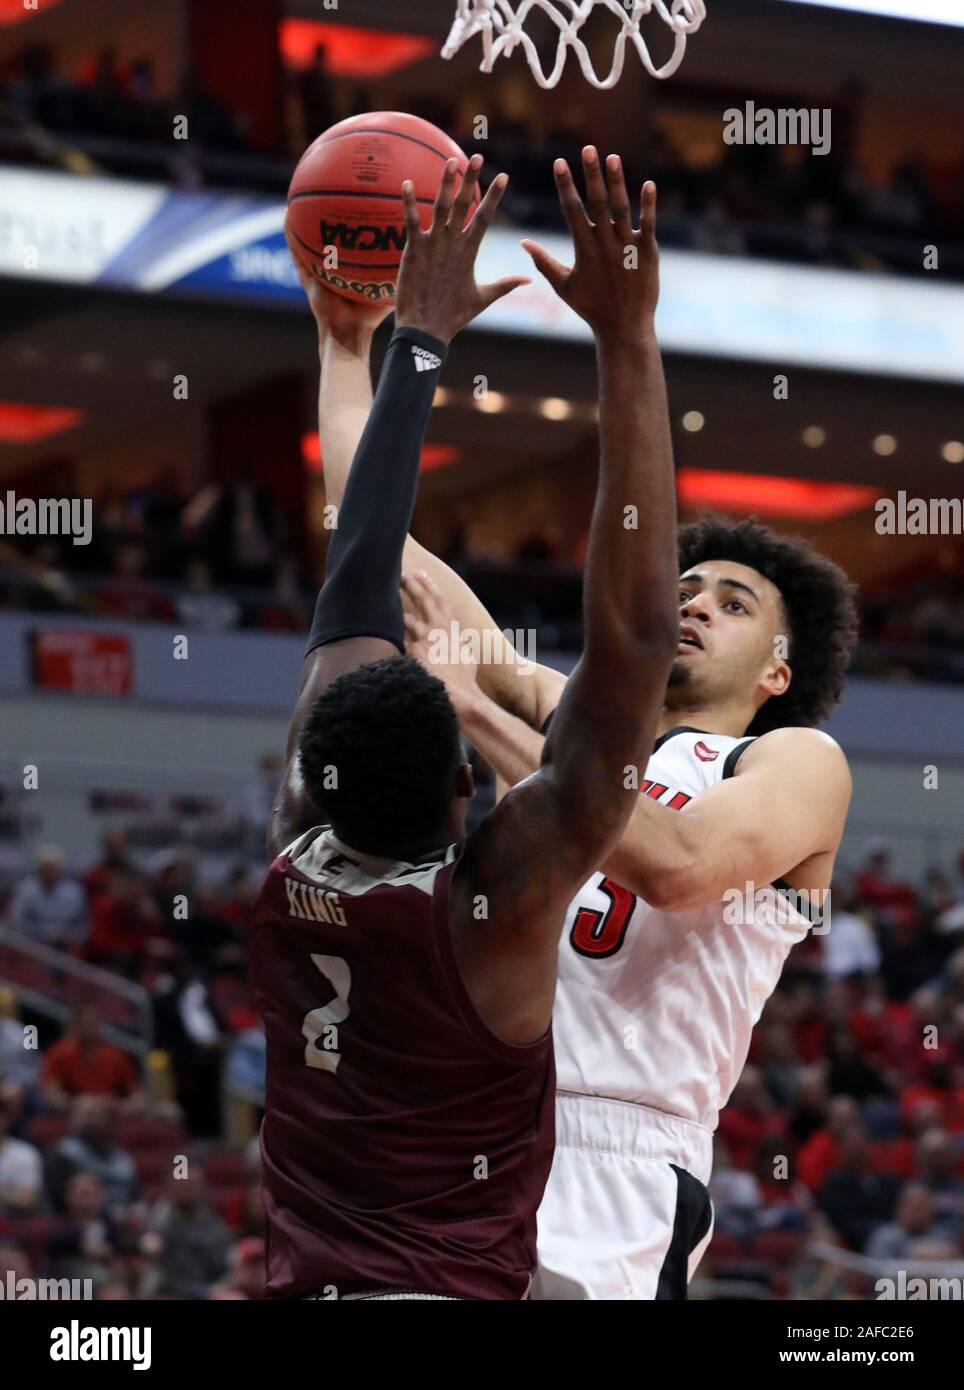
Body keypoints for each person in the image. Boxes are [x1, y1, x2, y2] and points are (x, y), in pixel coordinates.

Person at [320, 193, 859, 1304]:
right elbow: (386, 550)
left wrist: (475, 714)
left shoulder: (795, 761)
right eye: (688, 585)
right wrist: (347, 341)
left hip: (620, 1157)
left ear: (777, 671)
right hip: (471, 1124)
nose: (695, 603)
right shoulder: (574, 718)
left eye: (735, 600)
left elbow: (677, 867)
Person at [249, 149, 679, 1300]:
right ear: (463, 793)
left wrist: (382, 349)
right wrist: (623, 341)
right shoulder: (493, 910)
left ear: (312, 770)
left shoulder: (300, 839)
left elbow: (358, 575)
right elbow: (639, 643)